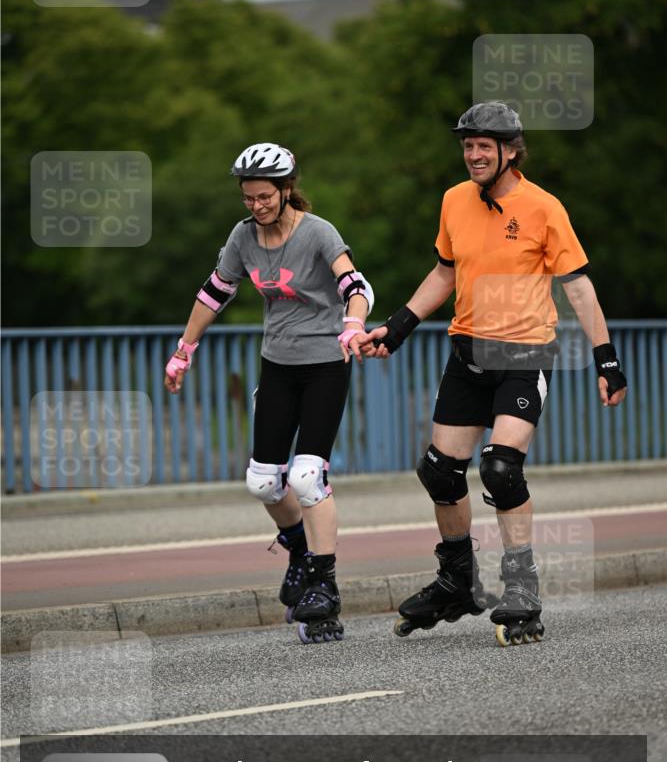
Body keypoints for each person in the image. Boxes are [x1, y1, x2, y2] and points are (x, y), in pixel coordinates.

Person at [359, 102, 627, 647]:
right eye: (467, 145)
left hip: (524, 357)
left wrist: (607, 359)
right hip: (467, 355)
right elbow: (444, 271)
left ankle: (521, 589)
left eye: (484, 146)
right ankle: (457, 582)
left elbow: (578, 287)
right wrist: (398, 326)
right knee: (439, 472)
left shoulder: (543, 208)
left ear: (510, 151)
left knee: (501, 470)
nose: (473, 154)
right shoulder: (454, 200)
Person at [164, 143, 373, 644]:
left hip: (326, 363)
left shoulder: (318, 232)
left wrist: (352, 323)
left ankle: (325, 584)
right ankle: (300, 548)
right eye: (247, 198)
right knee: (263, 483)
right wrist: (184, 350)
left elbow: (356, 284)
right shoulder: (243, 238)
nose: (256, 206)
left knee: (306, 475)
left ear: (285, 191)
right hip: (277, 365)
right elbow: (214, 291)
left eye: (264, 197)